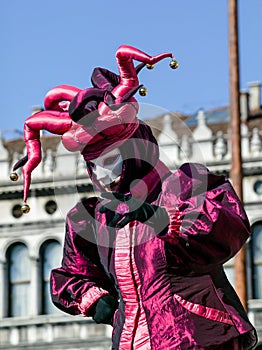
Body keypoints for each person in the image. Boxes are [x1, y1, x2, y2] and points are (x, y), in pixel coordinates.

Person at [11, 45, 257, 349]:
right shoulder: (93, 217)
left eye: (110, 161)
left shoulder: (183, 187)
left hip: (196, 335)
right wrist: (94, 300)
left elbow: (227, 226)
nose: (102, 176)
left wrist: (161, 219)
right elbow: (71, 275)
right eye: (93, 167)